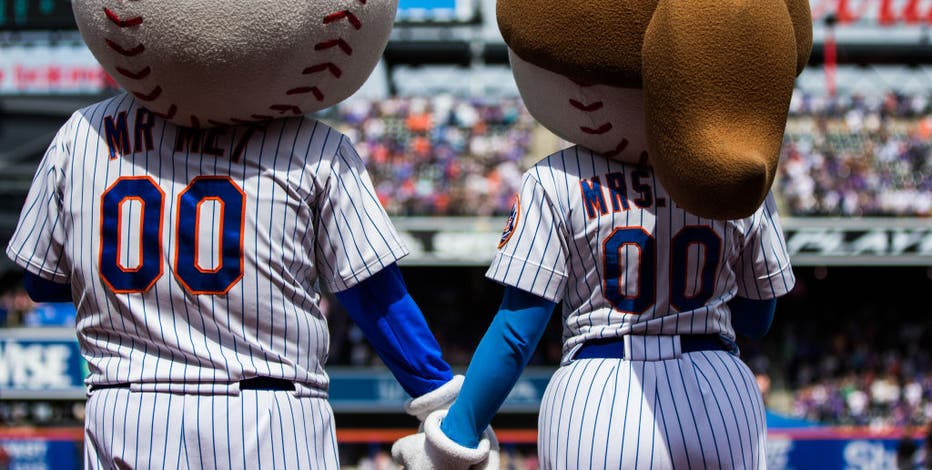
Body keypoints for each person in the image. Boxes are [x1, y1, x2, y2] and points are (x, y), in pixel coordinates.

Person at [393, 146, 796, 469]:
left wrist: (458, 432)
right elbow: (758, 318)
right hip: (717, 385)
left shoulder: (555, 175)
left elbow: (517, 334)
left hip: (597, 391)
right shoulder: (741, 171)